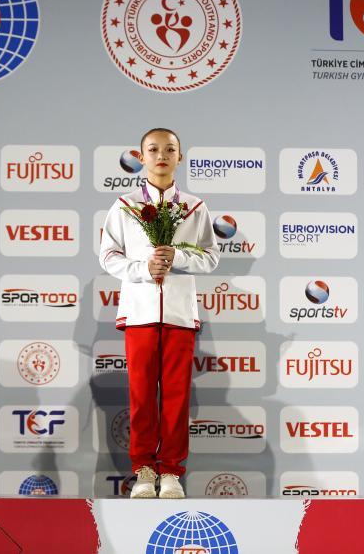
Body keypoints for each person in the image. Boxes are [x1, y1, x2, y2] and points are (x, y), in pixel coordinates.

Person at [98, 128, 219, 499]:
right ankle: (144, 469)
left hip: (180, 314)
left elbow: (211, 257)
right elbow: (108, 256)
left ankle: (171, 472)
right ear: (141, 156)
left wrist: (177, 256)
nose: (161, 155)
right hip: (140, 313)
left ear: (180, 156)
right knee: (141, 396)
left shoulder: (194, 207)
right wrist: (143, 269)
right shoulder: (125, 206)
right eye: (153, 149)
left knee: (177, 397)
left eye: (170, 149)